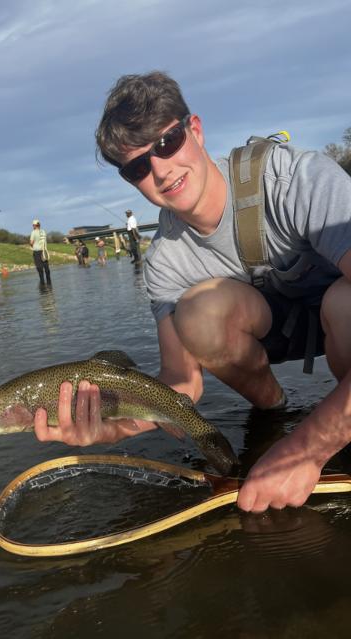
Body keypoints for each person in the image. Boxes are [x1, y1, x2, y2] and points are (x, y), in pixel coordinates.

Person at [34, 70, 351, 514]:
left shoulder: (292, 179)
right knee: (199, 313)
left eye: (167, 143)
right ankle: (275, 415)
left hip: (340, 321)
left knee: (345, 304)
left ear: (195, 130)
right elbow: (181, 385)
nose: (160, 170)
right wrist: (113, 425)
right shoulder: (164, 261)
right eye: (138, 167)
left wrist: (309, 448)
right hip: (279, 330)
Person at [30, 219, 51, 285]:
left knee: (40, 268)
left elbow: (31, 243)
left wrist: (31, 244)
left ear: (34, 225)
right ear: (39, 225)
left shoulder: (33, 232)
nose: (32, 226)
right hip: (44, 251)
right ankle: (49, 283)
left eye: (33, 225)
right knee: (46, 268)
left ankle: (42, 284)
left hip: (37, 252)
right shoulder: (43, 231)